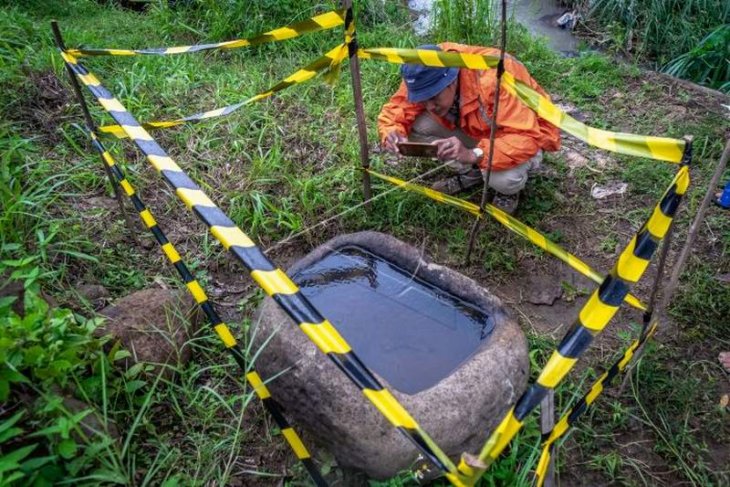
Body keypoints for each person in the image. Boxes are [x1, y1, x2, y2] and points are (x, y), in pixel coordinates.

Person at [377, 43, 561, 214]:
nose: (429, 106)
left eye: (433, 98)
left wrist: (475, 154)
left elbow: (527, 137)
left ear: (451, 81)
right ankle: (471, 173)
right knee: (413, 126)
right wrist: (391, 132)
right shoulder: (425, 65)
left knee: (503, 179)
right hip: (476, 132)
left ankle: (507, 191)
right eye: (422, 99)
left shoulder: (495, 77)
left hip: (521, 138)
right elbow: (398, 108)